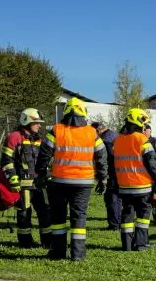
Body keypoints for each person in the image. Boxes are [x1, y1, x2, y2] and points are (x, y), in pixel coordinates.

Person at [35, 97, 108, 261]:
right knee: (79, 217)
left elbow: (44, 154)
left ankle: (58, 252)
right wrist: (102, 179)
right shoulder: (92, 132)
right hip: (84, 183)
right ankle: (78, 254)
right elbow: (101, 157)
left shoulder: (57, 130)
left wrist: (41, 174)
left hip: (59, 181)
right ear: (84, 112)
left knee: (58, 217)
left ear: (66, 111)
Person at [0, 108, 52, 249]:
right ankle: (25, 243)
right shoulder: (14, 137)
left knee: (45, 212)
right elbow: (7, 161)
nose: (39, 125)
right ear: (26, 121)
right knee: (24, 212)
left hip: (40, 183)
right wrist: (12, 179)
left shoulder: (40, 139)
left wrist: (48, 176)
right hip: (23, 185)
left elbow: (45, 161)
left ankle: (48, 242)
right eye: (36, 123)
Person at [114, 108, 156, 251]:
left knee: (127, 214)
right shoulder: (142, 139)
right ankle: (141, 243)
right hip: (142, 185)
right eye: (144, 124)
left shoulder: (118, 139)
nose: (145, 127)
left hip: (124, 186)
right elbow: (152, 163)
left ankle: (127, 245)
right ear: (139, 122)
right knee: (143, 214)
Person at [92, 121, 122, 231]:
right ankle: (119, 222)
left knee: (111, 198)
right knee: (118, 198)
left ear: (98, 130)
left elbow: (105, 159)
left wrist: (102, 175)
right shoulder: (114, 135)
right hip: (120, 172)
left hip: (111, 173)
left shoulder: (104, 141)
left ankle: (114, 224)